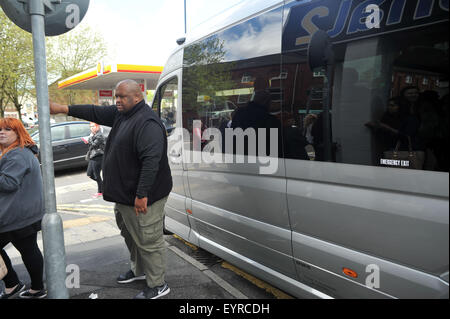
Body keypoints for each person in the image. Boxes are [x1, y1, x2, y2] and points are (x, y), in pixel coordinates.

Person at [49, 79, 173, 299]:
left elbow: (151, 161)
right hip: (125, 195)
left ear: (137, 97)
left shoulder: (147, 122)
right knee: (131, 234)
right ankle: (140, 271)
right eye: (116, 96)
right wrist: (62, 109)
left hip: (144, 197)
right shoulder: (121, 114)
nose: (117, 100)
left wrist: (142, 194)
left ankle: (158, 284)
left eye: (122, 96)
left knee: (148, 239)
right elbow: (94, 112)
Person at [0, 118, 46, 299]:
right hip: (25, 213)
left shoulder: (17, 154)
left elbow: (9, 183)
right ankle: (36, 289)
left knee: (29, 249)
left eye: (7, 129)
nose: (2, 132)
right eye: (0, 129)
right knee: (28, 249)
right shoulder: (22, 151)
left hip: (13, 215)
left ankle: (12, 283)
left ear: (18, 132)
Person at [84, 122, 106, 197]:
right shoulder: (93, 135)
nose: (91, 128)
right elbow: (91, 144)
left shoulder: (99, 135)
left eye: (93, 126)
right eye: (90, 127)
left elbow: (94, 145)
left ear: (97, 127)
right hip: (92, 156)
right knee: (89, 174)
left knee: (97, 175)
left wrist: (88, 139)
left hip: (98, 156)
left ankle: (100, 191)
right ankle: (103, 186)